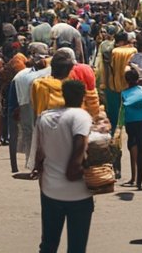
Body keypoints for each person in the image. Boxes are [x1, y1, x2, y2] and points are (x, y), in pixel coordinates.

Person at [33, 79, 93, 253]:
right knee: (76, 247)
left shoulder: (44, 117)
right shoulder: (81, 116)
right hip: (78, 194)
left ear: (63, 95)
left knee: (48, 245)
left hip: (50, 191)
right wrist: (90, 169)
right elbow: (75, 164)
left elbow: (39, 156)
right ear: (82, 97)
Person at [11, 55, 50, 173]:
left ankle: (31, 162)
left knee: (29, 133)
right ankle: (34, 162)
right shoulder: (45, 72)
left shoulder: (21, 74)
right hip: (34, 103)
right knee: (36, 133)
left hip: (24, 102)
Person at [120, 67, 142, 191]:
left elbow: (122, 111)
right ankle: (139, 181)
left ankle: (133, 177)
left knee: (132, 147)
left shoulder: (123, 93)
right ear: (138, 79)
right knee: (141, 150)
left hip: (130, 123)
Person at [102, 32, 137, 127]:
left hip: (114, 84)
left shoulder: (112, 51)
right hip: (129, 84)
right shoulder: (133, 51)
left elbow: (110, 67)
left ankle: (114, 130)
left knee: (114, 111)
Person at [32, 51, 77, 116]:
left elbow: (37, 109)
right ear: (70, 70)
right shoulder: (73, 88)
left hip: (45, 123)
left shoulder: (40, 84)